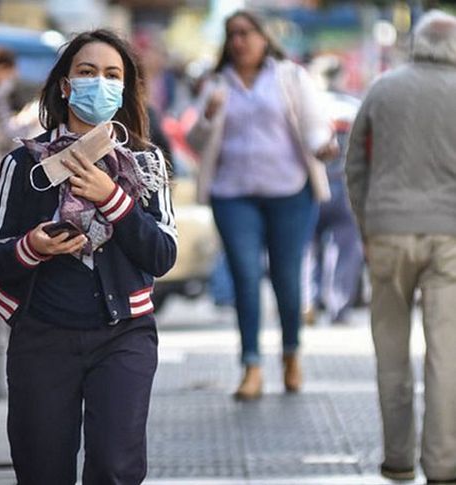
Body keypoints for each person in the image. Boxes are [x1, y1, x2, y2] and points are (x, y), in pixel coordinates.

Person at [0, 29, 177, 485]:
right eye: (87, 72)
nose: (99, 83)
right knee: (42, 469)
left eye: (112, 75)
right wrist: (33, 247)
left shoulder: (144, 162)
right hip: (42, 336)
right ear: (66, 85)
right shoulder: (23, 164)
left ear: (123, 88)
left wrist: (113, 199)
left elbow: (162, 254)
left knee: (114, 467)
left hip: (123, 334)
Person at [187, 10, 336, 398]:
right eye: (232, 34)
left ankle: (291, 355)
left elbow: (313, 122)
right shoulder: (217, 84)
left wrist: (322, 144)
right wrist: (207, 117)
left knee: (287, 278)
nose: (238, 41)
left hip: (290, 192)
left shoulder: (290, 76)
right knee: (245, 278)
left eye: (246, 33)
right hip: (232, 195)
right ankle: (251, 365)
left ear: (264, 37)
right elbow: (196, 142)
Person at [346, 10, 456, 484]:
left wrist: (368, 227)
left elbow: (354, 166)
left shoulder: (383, 88)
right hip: (448, 237)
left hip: (387, 232)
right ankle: (443, 465)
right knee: (445, 355)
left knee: (391, 352)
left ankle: (397, 460)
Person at [302, 55, 365, 325]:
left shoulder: (309, 107)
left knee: (307, 247)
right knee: (345, 248)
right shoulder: (355, 106)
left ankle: (309, 302)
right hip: (346, 184)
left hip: (312, 185)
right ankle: (339, 307)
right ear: (340, 76)